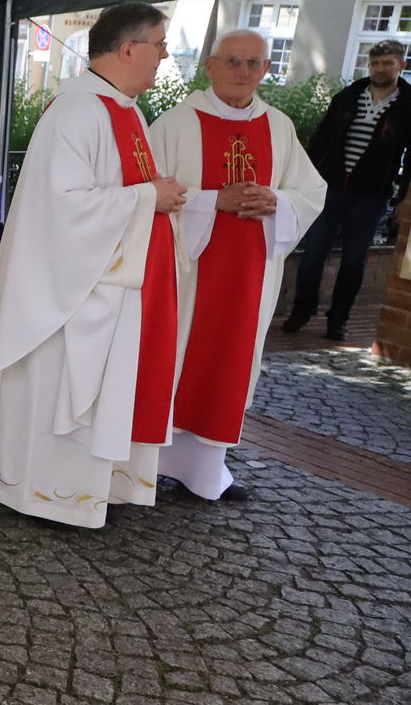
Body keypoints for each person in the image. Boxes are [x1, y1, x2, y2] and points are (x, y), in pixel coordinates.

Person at [0, 3, 185, 529]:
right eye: (159, 45)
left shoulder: (128, 111)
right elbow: (61, 207)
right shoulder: (77, 111)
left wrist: (155, 196)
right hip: (69, 293)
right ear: (128, 49)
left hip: (113, 285)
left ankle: (96, 489)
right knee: (59, 388)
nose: (164, 56)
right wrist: (147, 198)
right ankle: (46, 495)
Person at [149, 30, 326, 501]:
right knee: (175, 356)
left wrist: (278, 200)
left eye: (253, 63)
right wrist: (214, 201)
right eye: (232, 61)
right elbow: (147, 192)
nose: (242, 72)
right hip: (186, 273)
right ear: (209, 66)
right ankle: (147, 464)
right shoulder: (176, 124)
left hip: (251, 273)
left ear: (267, 69)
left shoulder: (279, 127)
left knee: (230, 361)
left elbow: (312, 192)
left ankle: (206, 472)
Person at [282, 39, 410, 340]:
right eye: (375, 63)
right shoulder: (348, 97)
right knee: (312, 254)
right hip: (330, 189)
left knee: (354, 261)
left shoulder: (408, 106)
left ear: (401, 66)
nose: (380, 69)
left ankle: (338, 319)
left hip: (371, 196)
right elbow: (320, 140)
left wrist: (403, 197)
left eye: (387, 63)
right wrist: (303, 180)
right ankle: (302, 311)